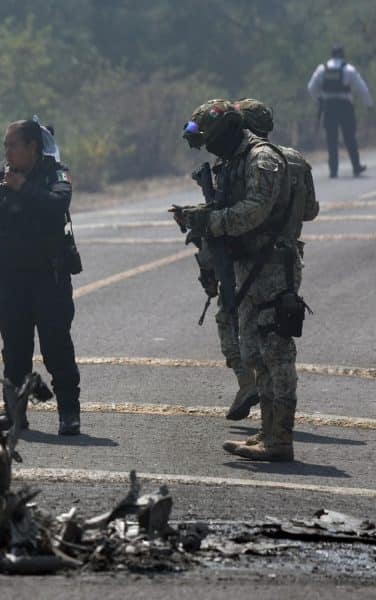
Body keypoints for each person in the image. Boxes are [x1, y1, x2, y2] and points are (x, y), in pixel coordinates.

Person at [177, 99, 310, 461]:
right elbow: (229, 206)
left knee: (276, 352)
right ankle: (267, 432)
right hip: (247, 266)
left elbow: (255, 210)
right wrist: (198, 215)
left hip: (271, 267)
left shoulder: (261, 159)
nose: (209, 148)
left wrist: (211, 222)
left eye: (212, 140)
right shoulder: (234, 161)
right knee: (254, 352)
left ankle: (280, 438)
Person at [0, 119, 81, 435]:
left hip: (49, 279)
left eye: (13, 145)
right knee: (14, 351)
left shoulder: (55, 173)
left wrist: (23, 188)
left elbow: (58, 204)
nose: (8, 151)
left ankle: (69, 413)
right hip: (12, 281)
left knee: (57, 347)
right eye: (6, 145)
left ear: (32, 147)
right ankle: (15, 414)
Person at [307, 45, 373, 178]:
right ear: (343, 55)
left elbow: (311, 88)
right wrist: (369, 105)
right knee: (350, 137)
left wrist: (319, 99)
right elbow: (362, 89)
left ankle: (333, 170)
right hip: (345, 107)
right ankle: (356, 166)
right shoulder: (349, 69)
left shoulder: (322, 69)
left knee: (331, 139)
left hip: (329, 107)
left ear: (331, 55)